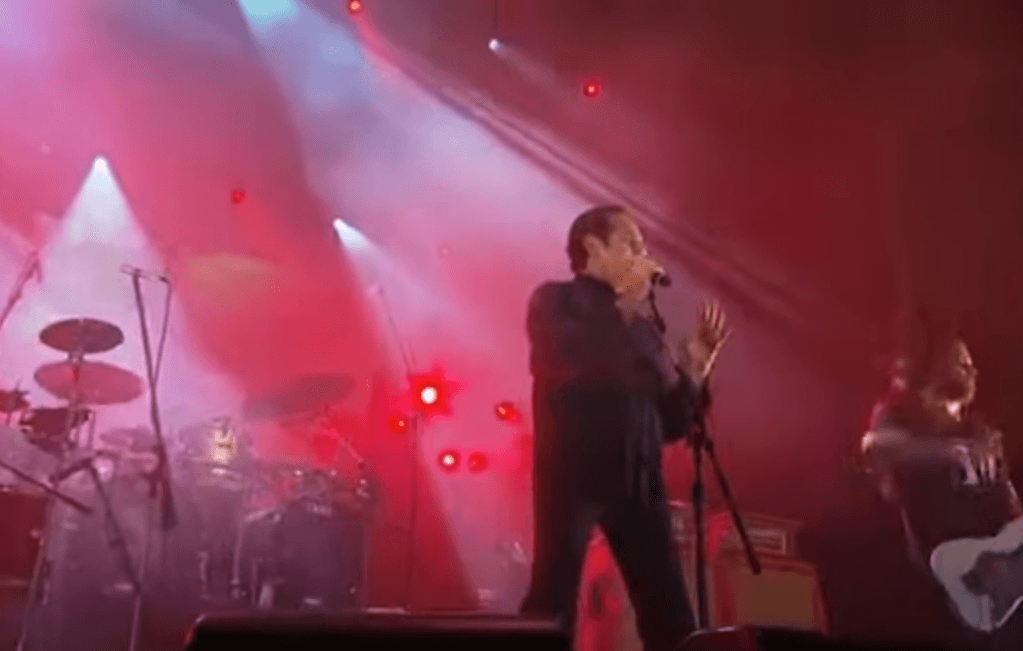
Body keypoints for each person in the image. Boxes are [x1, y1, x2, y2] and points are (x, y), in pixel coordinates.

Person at [520, 205, 728, 651]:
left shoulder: (645, 330)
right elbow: (577, 357)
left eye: (643, 246)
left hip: (640, 480)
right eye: (630, 244)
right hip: (570, 473)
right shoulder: (554, 302)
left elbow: (670, 423)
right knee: (552, 602)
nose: (643, 255)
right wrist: (627, 304)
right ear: (593, 248)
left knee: (670, 614)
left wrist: (695, 368)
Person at [862, 337, 1023, 650]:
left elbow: (1008, 506)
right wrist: (951, 451)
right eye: (961, 364)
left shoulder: (980, 432)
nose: (972, 372)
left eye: (972, 366)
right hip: (944, 581)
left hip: (995, 583)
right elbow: (875, 448)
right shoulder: (904, 417)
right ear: (932, 367)